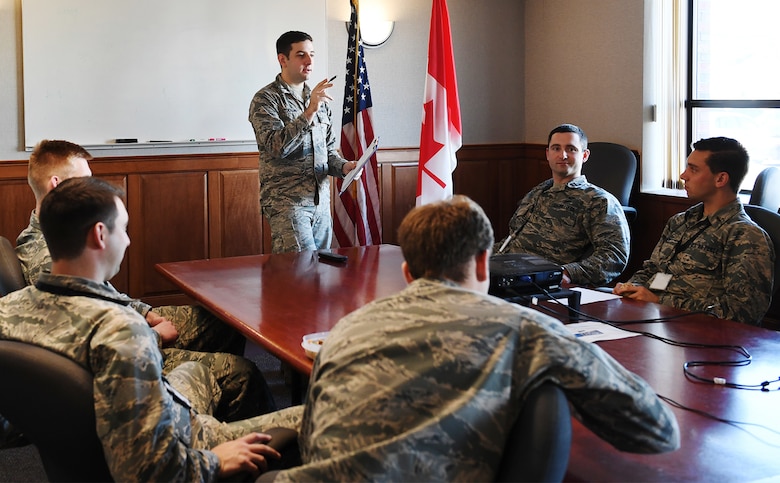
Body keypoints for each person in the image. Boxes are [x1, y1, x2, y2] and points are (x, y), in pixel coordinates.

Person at [274, 195, 679, 481]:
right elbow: (658, 430)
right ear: (486, 263)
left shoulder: (347, 328)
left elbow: (312, 435)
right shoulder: (529, 332)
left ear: (408, 273)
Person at [0, 177, 304, 481]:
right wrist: (213, 462)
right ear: (100, 234)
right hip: (186, 450)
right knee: (315, 416)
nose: (129, 241)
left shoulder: (6, 311)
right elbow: (144, 471)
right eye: (124, 229)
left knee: (209, 371)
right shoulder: (120, 331)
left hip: (92, 446)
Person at [15, 139, 275, 421]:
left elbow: (102, 294)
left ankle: (209, 415)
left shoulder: (70, 237)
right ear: (57, 185)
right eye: (85, 182)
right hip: (124, 354)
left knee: (222, 320)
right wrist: (152, 334)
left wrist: (146, 313)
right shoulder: (43, 252)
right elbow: (85, 332)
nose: (93, 189)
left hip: (126, 324)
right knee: (242, 373)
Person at [614, 137, 774, 325]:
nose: (683, 175)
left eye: (694, 169)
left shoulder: (744, 235)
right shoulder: (680, 221)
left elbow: (743, 313)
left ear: (721, 179)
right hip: (652, 318)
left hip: (702, 332)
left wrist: (660, 301)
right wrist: (633, 288)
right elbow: (653, 270)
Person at [248, 30, 360, 254]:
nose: (309, 61)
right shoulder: (266, 99)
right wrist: (309, 112)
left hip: (320, 202)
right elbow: (276, 146)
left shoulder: (319, 99)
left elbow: (328, 152)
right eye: (301, 55)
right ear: (283, 59)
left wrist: (345, 166)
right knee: (298, 273)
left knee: (319, 274)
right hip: (287, 204)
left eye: (312, 54)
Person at [495, 123, 630, 286]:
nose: (562, 155)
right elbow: (513, 237)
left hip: (541, 281)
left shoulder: (599, 200)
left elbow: (614, 256)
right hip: (504, 271)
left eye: (571, 149)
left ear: (585, 155)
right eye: (556, 148)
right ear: (547, 154)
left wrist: (566, 273)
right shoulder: (539, 191)